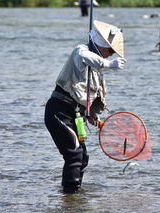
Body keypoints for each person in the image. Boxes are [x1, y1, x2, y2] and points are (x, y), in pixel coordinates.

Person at [44, 20, 126, 194]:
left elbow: (82, 95)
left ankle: (72, 196)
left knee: (83, 156)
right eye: (111, 50)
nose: (111, 55)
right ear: (101, 44)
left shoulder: (96, 65)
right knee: (74, 154)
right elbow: (83, 56)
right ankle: (70, 195)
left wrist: (90, 114)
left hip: (73, 113)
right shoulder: (82, 50)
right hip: (58, 110)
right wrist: (109, 65)